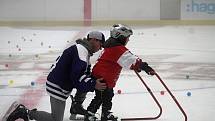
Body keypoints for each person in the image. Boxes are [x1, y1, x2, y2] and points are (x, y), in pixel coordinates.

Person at [3, 31, 107, 121]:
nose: (100, 48)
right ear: (93, 40)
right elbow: (77, 76)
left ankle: (25, 112)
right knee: (56, 119)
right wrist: (93, 84)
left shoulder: (84, 51)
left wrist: (93, 81)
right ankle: (24, 112)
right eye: (101, 44)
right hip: (57, 86)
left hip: (58, 83)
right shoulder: (81, 51)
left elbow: (85, 74)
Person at [84, 24, 155, 121]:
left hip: (103, 76)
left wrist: (137, 66)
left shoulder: (111, 47)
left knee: (107, 96)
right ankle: (89, 114)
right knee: (100, 98)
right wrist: (145, 67)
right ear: (121, 37)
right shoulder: (117, 49)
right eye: (127, 37)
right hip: (102, 78)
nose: (128, 40)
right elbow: (131, 60)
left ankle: (105, 113)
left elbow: (125, 61)